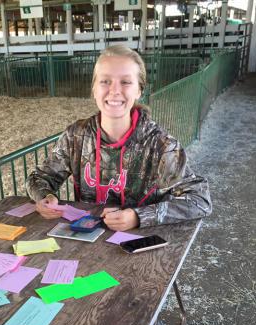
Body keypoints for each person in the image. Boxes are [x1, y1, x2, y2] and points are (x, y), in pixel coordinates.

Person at [26, 45, 212, 231]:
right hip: (84, 240)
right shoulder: (76, 136)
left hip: (140, 246)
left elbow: (200, 200)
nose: (114, 90)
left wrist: (138, 217)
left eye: (125, 82)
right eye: (105, 81)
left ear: (139, 90)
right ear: (94, 89)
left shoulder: (161, 144)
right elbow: (39, 178)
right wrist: (44, 197)